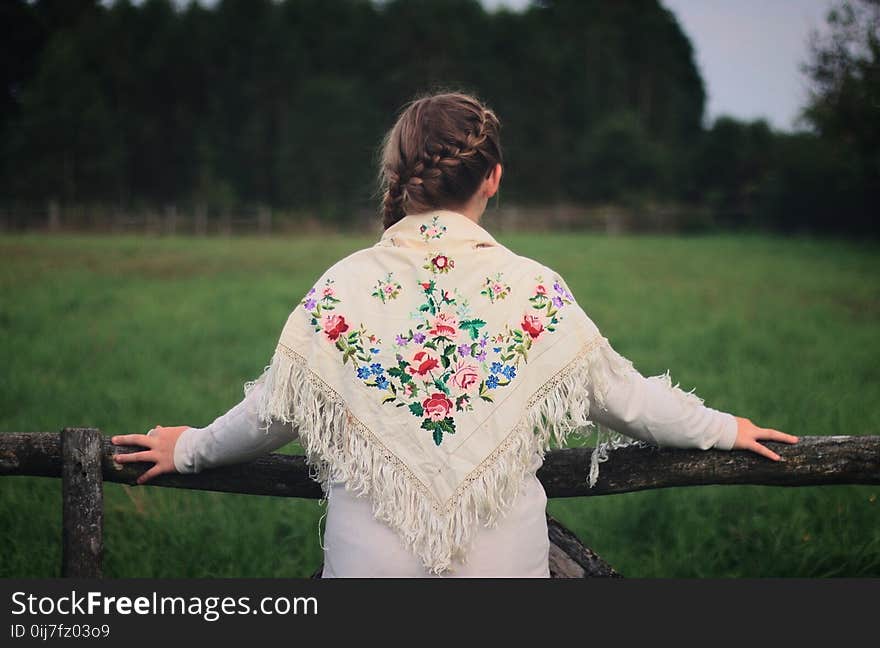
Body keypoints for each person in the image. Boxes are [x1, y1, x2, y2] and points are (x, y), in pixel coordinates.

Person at [110, 90, 799, 578]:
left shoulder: (342, 285)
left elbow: (273, 411)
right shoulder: (534, 288)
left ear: (396, 177)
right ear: (492, 178)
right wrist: (724, 428)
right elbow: (630, 401)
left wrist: (191, 448)